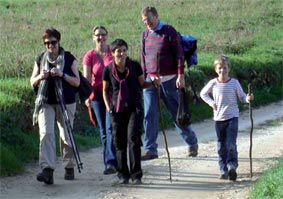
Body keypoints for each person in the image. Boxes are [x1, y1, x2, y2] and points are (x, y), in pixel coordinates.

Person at [140, 6, 198, 161]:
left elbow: (179, 54)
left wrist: (180, 75)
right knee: (149, 115)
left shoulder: (169, 31)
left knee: (177, 114)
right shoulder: (145, 34)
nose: (147, 23)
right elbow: (143, 58)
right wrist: (143, 78)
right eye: (145, 21)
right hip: (150, 81)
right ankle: (151, 149)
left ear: (156, 16)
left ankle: (191, 142)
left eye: (149, 19)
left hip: (170, 79)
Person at [102, 39, 159, 184]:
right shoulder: (108, 70)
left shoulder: (134, 66)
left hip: (134, 107)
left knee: (133, 140)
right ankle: (123, 175)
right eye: (118, 51)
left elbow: (142, 84)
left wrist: (153, 83)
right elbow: (105, 90)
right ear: (113, 53)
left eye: (124, 50)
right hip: (117, 110)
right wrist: (109, 108)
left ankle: (136, 175)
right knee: (120, 142)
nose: (121, 53)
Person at [30, 27, 80, 185]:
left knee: (66, 136)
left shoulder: (69, 58)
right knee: (46, 134)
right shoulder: (40, 59)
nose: (50, 46)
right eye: (47, 43)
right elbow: (32, 81)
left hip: (66, 101)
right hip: (45, 101)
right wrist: (40, 77)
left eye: (53, 42)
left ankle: (69, 165)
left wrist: (62, 74)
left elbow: (77, 81)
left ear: (59, 42)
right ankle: (47, 170)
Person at [200, 55, 254, 181]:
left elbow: (242, 97)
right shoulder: (213, 83)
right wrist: (211, 103)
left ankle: (232, 167)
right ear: (215, 69)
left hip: (232, 118)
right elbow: (203, 93)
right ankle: (223, 169)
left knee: (230, 144)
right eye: (220, 68)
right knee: (220, 145)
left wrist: (248, 98)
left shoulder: (234, 83)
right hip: (218, 119)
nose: (222, 71)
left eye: (224, 68)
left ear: (229, 69)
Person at [83, 25, 117, 175]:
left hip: (111, 95)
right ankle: (109, 162)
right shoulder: (89, 56)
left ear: (107, 36)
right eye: (97, 35)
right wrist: (86, 97)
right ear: (93, 37)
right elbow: (86, 79)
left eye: (103, 35)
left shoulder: (114, 52)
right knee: (103, 131)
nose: (100, 38)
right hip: (96, 96)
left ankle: (111, 162)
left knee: (111, 128)